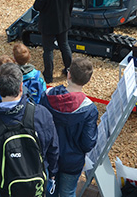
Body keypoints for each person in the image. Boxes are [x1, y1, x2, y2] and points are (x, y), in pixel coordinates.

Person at [0, 63, 59, 197]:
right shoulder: (41, 114)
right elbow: (53, 149)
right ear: (20, 87)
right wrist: (52, 171)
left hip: (4, 183)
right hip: (36, 181)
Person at [40, 57, 98, 197]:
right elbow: (88, 143)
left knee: (48, 191)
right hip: (72, 161)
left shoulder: (47, 96)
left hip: (48, 157)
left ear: (69, 74)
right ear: (88, 80)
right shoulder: (89, 109)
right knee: (68, 193)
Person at [33, 0, 74, 83]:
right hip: (64, 22)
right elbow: (70, 5)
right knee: (64, 45)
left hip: (48, 25)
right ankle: (69, 70)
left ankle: (49, 76)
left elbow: (37, 7)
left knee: (48, 50)